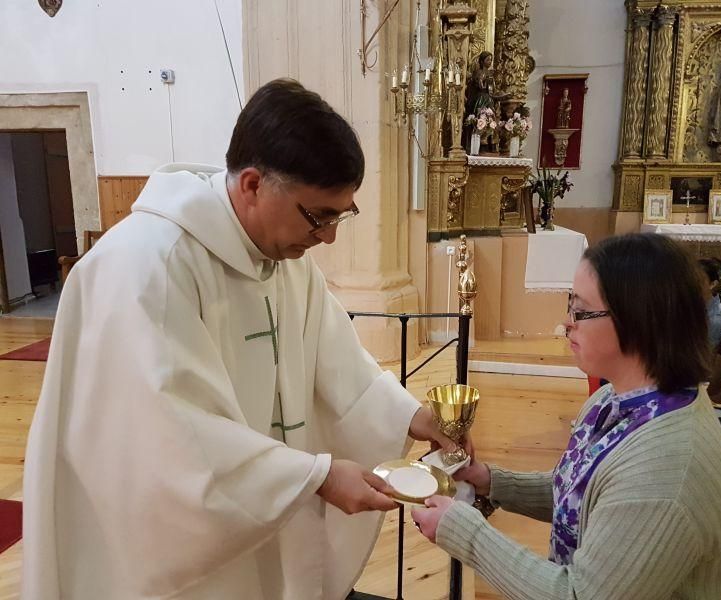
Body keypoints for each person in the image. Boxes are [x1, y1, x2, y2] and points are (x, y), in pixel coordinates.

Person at [22, 79, 455, 600]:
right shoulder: (146, 269)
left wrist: (412, 416)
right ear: (252, 184)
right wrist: (313, 476)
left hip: (261, 524)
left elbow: (335, 357)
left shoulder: (283, 260)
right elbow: (170, 442)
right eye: (319, 216)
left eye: (341, 215)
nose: (330, 237)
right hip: (166, 553)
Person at [412, 233, 721, 599]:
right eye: (570, 304)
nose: (567, 323)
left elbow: (578, 595)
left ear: (637, 320)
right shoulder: (616, 398)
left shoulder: (667, 470)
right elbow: (584, 497)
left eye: (581, 311)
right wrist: (492, 481)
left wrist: (463, 531)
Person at [698, 257, 721, 350]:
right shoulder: (693, 306)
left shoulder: (717, 317)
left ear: (712, 284)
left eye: (698, 281)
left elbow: (703, 353)